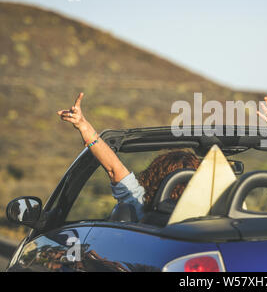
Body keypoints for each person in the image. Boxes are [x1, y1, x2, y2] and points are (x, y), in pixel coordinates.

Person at [57, 93, 200, 220]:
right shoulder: (213, 218)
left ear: (155, 177)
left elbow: (113, 168)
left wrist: (83, 126)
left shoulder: (139, 203)